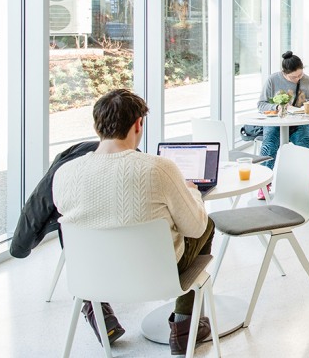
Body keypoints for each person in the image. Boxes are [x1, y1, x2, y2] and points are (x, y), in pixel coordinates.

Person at [52, 89, 214, 354]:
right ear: (139, 123)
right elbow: (194, 228)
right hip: (157, 275)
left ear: (97, 126)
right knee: (206, 225)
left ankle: (101, 316)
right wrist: (193, 193)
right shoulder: (158, 168)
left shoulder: (64, 173)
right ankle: (184, 328)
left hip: (91, 278)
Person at [255, 50, 309, 194]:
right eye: (294, 77)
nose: (298, 79)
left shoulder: (308, 81)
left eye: (301, 75)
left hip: (299, 123)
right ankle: (263, 184)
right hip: (276, 123)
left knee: (308, 144)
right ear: (284, 73)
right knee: (269, 146)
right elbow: (261, 105)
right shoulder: (272, 80)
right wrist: (277, 107)